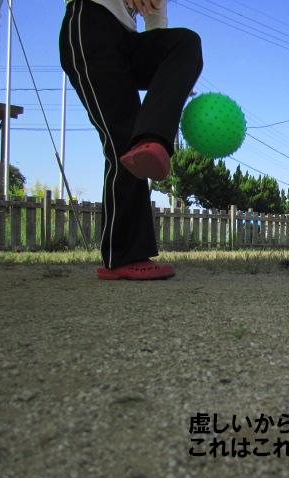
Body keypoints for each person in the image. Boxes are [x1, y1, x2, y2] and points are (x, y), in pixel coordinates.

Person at [59, 0, 203, 279]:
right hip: (89, 24)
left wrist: (171, 75)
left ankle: (152, 140)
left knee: (185, 44)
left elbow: (156, 26)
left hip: (129, 41)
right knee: (122, 141)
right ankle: (122, 256)